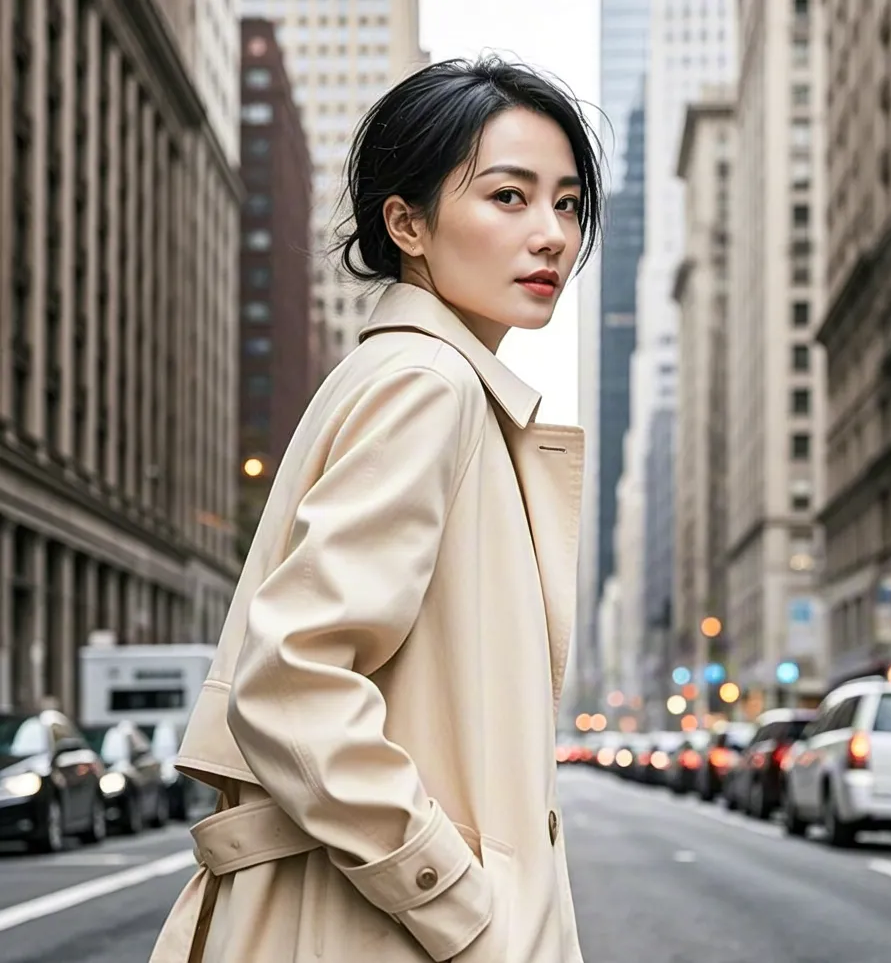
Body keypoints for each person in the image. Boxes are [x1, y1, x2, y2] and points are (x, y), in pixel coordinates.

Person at [149, 56, 603, 963]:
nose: (550, 233)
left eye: (566, 202)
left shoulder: (415, 377)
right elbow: (292, 678)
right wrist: (458, 905)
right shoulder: (428, 384)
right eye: (509, 197)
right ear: (407, 223)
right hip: (372, 929)